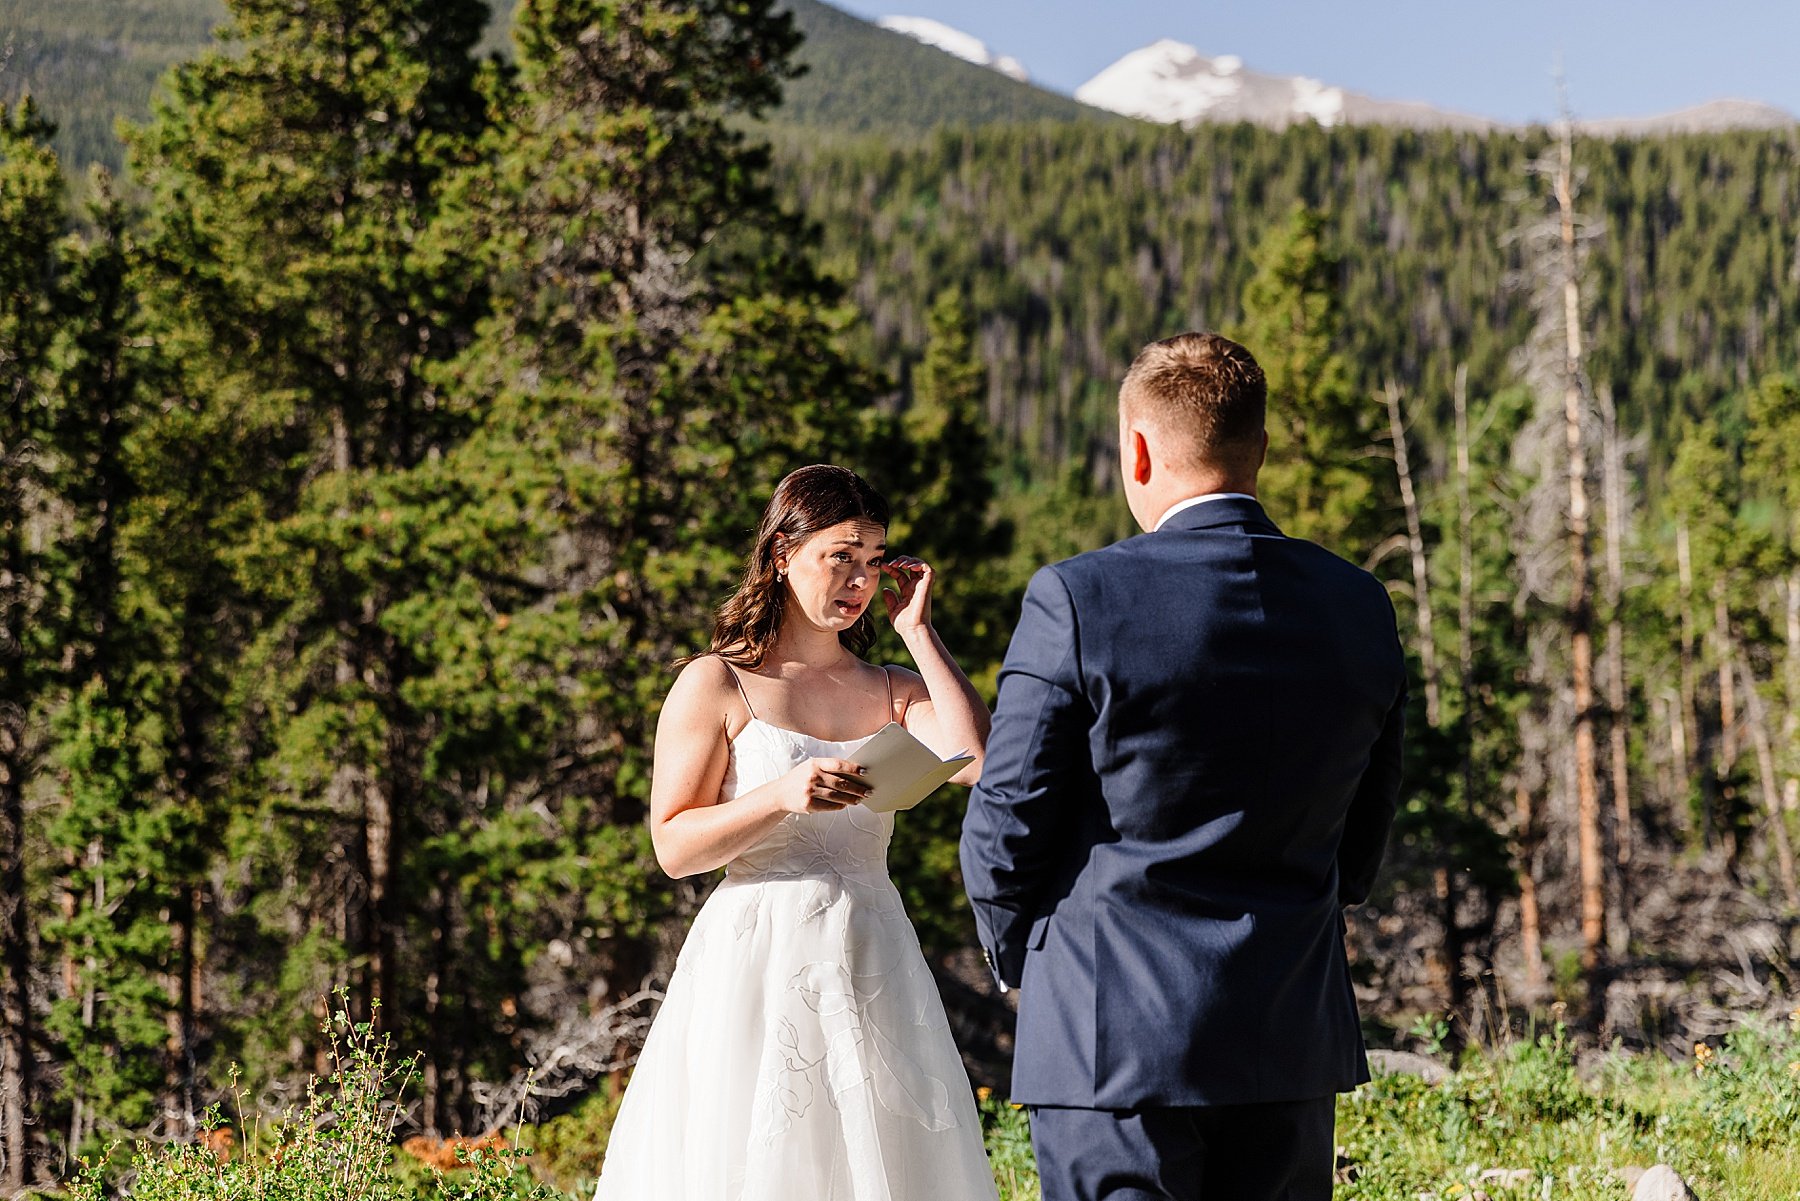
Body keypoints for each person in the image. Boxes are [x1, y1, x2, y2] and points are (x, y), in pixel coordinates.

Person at [959, 333, 1406, 1201]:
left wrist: (1021, 957)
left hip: (1110, 1033)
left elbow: (1006, 819)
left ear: (1136, 449)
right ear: (1261, 450)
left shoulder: (1077, 598)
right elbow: (1366, 827)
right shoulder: (1359, 604)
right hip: (1288, 1030)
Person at [593, 464, 999, 1201]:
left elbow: (977, 759)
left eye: (875, 562)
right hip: (755, 960)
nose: (860, 580)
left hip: (872, 951)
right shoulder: (716, 683)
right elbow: (675, 845)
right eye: (840, 555)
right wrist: (783, 794)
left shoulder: (892, 688)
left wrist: (920, 632)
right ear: (783, 553)